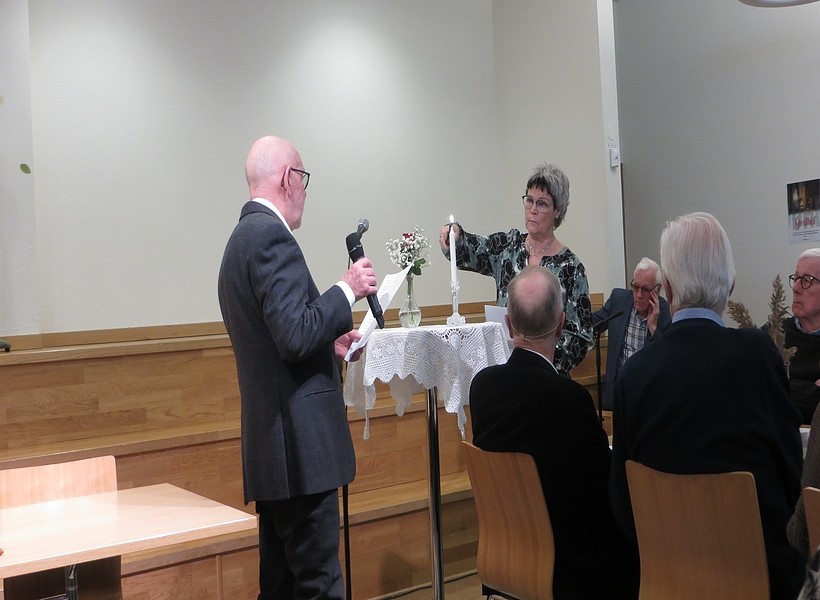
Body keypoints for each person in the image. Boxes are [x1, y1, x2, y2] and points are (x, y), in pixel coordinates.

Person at [609, 212, 804, 600]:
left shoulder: (634, 374)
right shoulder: (758, 356)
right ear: (730, 285)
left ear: (666, 288)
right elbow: (791, 475)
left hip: (665, 579)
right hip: (758, 580)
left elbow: (622, 501)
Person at [217, 135, 378, 599]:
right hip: (301, 452)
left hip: (275, 450)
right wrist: (347, 289)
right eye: (303, 178)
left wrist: (328, 342)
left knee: (281, 587)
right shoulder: (270, 236)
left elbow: (281, 336)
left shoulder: (239, 241)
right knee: (318, 586)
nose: (304, 191)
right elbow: (292, 335)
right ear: (289, 179)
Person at [470, 265, 639, 600]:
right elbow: (602, 489)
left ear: (508, 324)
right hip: (565, 569)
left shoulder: (482, 388)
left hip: (506, 554)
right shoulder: (568, 399)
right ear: (561, 325)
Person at [438, 163, 592, 375]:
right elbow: (468, 249)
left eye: (542, 204)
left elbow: (581, 338)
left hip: (548, 376)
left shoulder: (571, 268)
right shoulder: (507, 248)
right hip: (506, 371)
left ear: (557, 210)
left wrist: (537, 355)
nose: (533, 209)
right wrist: (454, 235)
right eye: (529, 200)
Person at [592, 257, 672, 410]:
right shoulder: (619, 300)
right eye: (635, 287)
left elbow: (668, 358)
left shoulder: (667, 313)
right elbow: (594, 323)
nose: (639, 295)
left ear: (657, 289)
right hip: (617, 392)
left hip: (648, 397)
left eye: (645, 289)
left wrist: (653, 327)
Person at [784, 248, 820, 424]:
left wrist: (784, 384)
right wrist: (813, 391)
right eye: (796, 278)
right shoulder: (773, 334)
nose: (796, 288)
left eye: (807, 280)